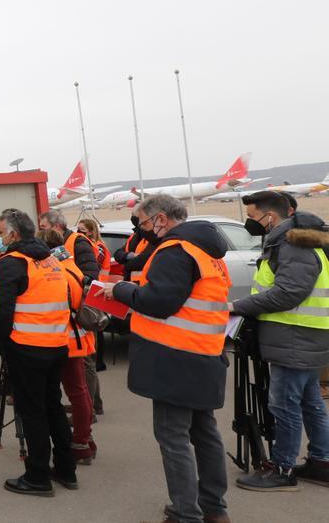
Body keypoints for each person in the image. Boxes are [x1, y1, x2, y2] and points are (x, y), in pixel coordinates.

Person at [104, 194, 231, 523]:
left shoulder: (174, 250)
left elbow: (159, 301)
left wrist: (119, 290)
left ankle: (185, 513)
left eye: (143, 222)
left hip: (175, 356)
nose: (143, 230)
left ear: (160, 219)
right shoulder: (206, 251)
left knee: (173, 436)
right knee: (204, 433)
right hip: (204, 353)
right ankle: (215, 508)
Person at [231, 191, 329, 490]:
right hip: (302, 334)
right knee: (310, 401)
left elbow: (289, 292)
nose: (249, 223)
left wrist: (238, 306)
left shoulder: (292, 244)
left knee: (284, 404)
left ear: (270, 216)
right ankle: (321, 462)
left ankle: (282, 468)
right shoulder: (294, 240)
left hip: (296, 336)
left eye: (251, 217)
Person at [0, 209, 77, 497]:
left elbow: (3, 312)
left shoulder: (12, 262)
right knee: (52, 406)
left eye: (0, 232)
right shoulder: (50, 259)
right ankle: (66, 468)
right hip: (56, 345)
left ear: (14, 235)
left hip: (27, 348)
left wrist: (2, 345)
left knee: (32, 412)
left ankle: (38, 475)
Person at [40, 228, 97, 466]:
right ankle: (85, 439)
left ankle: (81, 442)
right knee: (79, 391)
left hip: (66, 338)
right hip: (77, 335)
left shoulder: (57, 270)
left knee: (76, 392)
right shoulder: (70, 264)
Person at [74, 218, 107, 415]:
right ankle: (95, 403)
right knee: (87, 359)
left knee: (89, 359)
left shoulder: (96, 247)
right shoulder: (88, 246)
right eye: (78, 230)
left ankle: (93, 406)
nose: (80, 233)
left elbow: (92, 272)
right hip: (94, 295)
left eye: (84, 230)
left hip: (96, 296)